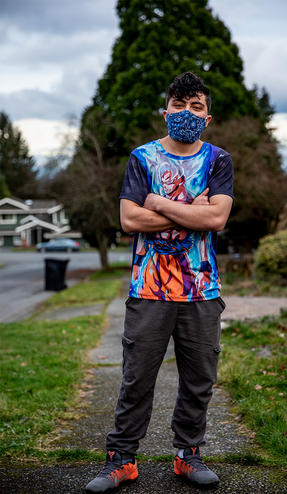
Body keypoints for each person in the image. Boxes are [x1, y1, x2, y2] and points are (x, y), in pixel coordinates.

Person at [85, 72, 234, 493]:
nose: (187, 113)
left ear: (208, 117)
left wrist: (157, 202)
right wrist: (192, 208)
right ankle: (122, 460)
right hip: (148, 289)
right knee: (137, 378)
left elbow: (218, 218)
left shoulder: (218, 160)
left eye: (197, 106)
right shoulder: (142, 158)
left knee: (199, 378)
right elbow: (130, 220)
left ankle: (188, 455)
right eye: (180, 104)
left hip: (201, 290)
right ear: (165, 110)